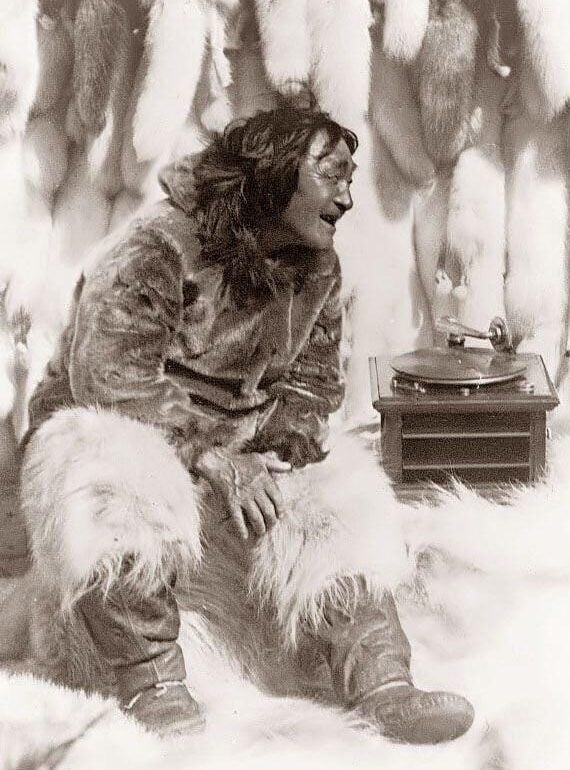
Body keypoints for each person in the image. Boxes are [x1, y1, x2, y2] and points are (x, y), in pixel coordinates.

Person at [20, 106, 474, 744]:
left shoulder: (317, 265)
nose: (347, 197)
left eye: (351, 177)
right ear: (274, 177)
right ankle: (154, 683)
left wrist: (282, 448)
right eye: (331, 176)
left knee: (336, 486)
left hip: (238, 446)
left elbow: (314, 380)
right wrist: (214, 458)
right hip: (127, 421)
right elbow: (110, 377)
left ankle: (382, 683)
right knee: (103, 469)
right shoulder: (157, 244)